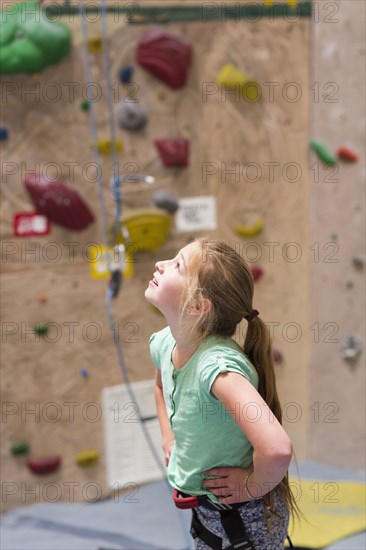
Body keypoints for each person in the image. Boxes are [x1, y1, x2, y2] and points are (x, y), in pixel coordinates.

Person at [145, 238, 297, 549]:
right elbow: (161, 386)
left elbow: (278, 449)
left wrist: (251, 487)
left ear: (198, 306)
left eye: (177, 265)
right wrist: (168, 436)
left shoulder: (217, 369)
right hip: (208, 510)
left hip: (246, 516)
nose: (161, 264)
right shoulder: (164, 343)